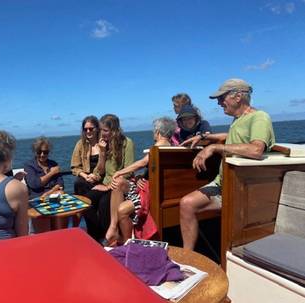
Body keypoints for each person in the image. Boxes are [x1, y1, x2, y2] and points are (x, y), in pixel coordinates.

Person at [179, 79, 275, 250]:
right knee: (186, 203)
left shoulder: (260, 117)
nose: (219, 103)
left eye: (222, 98)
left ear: (238, 96)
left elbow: (256, 149)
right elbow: (232, 135)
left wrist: (215, 147)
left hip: (241, 189)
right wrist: (204, 138)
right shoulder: (239, 119)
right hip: (223, 183)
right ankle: (188, 258)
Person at [106, 117, 176, 244]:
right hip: (150, 185)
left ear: (158, 132)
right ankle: (113, 227)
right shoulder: (173, 147)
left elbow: (142, 163)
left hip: (150, 191)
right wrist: (137, 177)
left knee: (122, 208)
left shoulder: (158, 148)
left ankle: (127, 243)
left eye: (154, 131)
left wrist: (119, 171)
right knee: (119, 182)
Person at [84, 114, 135, 242]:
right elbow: (100, 171)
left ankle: (112, 239)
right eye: (101, 130)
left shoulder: (127, 143)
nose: (102, 133)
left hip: (118, 185)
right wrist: (102, 152)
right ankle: (96, 236)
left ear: (114, 130)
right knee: (86, 201)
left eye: (105, 130)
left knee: (103, 204)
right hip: (106, 184)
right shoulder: (104, 144)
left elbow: (128, 171)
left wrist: (108, 185)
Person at [24, 137, 64, 232]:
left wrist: (48, 194)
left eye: (45, 152)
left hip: (51, 196)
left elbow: (60, 183)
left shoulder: (53, 164)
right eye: (39, 152)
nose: (42, 155)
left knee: (61, 195)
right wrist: (51, 173)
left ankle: (61, 234)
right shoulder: (29, 166)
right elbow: (35, 184)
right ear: (35, 151)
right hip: (37, 198)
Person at [71, 115, 106, 195]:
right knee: (79, 183)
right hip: (85, 177)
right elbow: (75, 167)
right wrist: (85, 176)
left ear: (97, 129)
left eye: (91, 129)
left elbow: (106, 166)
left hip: (101, 177)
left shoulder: (103, 144)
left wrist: (95, 176)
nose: (88, 131)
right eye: (85, 129)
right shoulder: (80, 144)